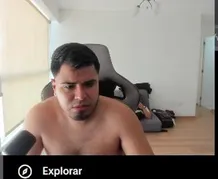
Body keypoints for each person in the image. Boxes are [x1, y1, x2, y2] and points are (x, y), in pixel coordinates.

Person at [22, 43, 153, 156]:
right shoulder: (38, 117)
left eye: (89, 84)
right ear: (54, 87)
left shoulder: (122, 116)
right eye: (69, 86)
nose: (80, 96)